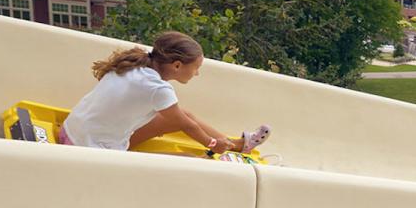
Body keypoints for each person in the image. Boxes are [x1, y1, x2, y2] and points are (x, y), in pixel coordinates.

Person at [60, 31, 270, 155]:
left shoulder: (138, 62)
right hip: (89, 149)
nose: (196, 74)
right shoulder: (158, 89)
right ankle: (228, 146)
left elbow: (182, 119)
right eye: (196, 68)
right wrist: (212, 145)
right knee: (189, 156)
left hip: (71, 132)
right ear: (177, 65)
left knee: (183, 114)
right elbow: (185, 125)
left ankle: (239, 145)